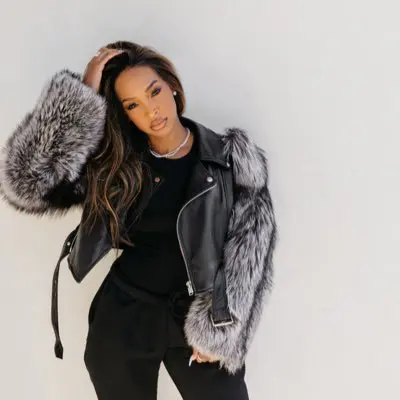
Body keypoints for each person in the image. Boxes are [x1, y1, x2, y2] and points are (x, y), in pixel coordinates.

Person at [0, 40, 277, 400]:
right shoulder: (116, 163)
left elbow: (251, 252)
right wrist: (81, 98)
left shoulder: (230, 161)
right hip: (125, 315)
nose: (151, 111)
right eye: (133, 105)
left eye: (154, 92)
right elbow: (26, 183)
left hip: (197, 314)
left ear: (172, 86)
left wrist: (221, 332)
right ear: (125, 113)